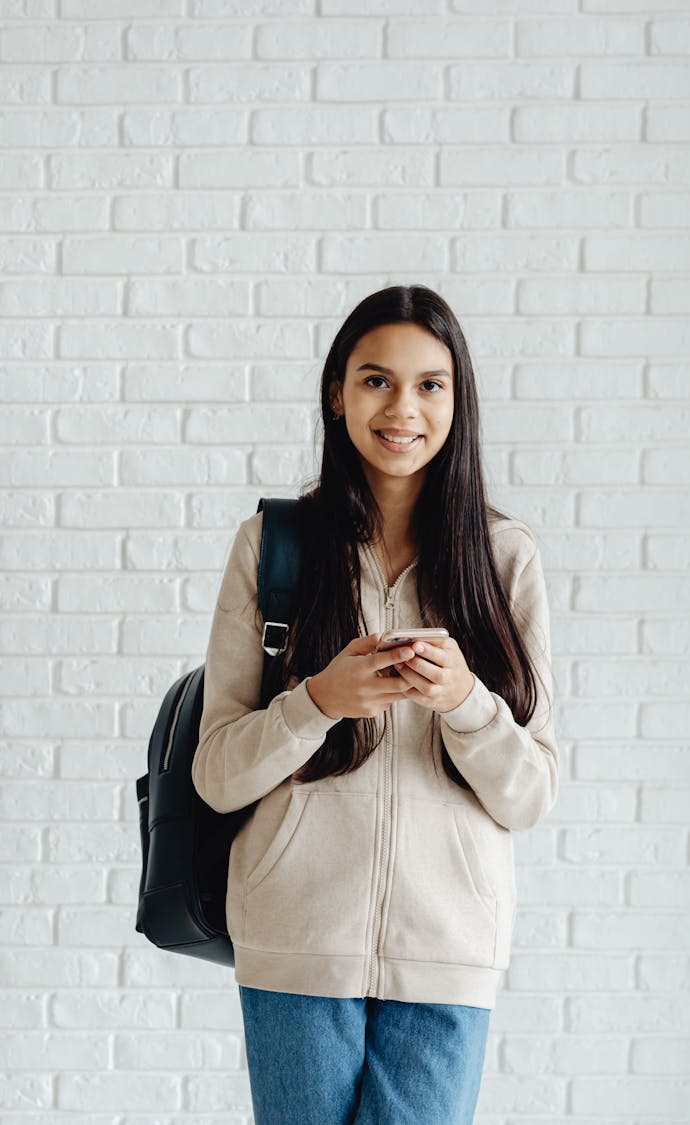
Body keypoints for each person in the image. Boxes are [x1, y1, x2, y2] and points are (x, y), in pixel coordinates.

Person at [192, 284, 559, 1124]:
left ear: (458, 401)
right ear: (338, 393)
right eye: (376, 380)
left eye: (431, 384)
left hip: (448, 950)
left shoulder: (505, 559)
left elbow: (531, 791)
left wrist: (464, 700)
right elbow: (215, 773)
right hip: (294, 947)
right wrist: (320, 699)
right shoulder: (274, 545)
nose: (403, 407)